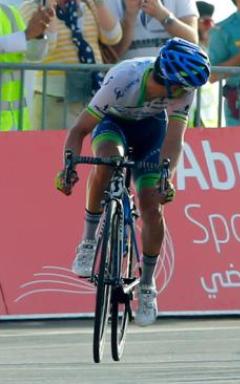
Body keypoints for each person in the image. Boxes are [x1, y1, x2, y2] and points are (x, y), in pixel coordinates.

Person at [55, 38, 210, 326]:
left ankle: (148, 285)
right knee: (108, 161)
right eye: (182, 87)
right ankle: (88, 242)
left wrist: (167, 175)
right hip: (113, 124)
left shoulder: (183, 91)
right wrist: (68, 167)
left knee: (152, 206)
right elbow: (79, 130)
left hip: (152, 131)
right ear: (166, 78)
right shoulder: (124, 78)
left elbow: (175, 141)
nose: (186, 93)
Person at [20, 0, 121, 130]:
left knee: (91, 148)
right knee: (56, 149)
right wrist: (49, 6)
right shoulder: (31, 7)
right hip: (55, 100)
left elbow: (113, 37)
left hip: (92, 96)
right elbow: (46, 47)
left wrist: (99, 3)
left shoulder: (87, 5)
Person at [0, 2, 53, 131]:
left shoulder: (9, 12)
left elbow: (34, 56)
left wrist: (38, 34)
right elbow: (23, 38)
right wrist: (26, 35)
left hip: (16, 124)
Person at [107, 0, 198, 60]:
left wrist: (162, 14)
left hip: (173, 79)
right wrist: (130, 15)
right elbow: (111, 56)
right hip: (128, 82)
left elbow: (192, 41)